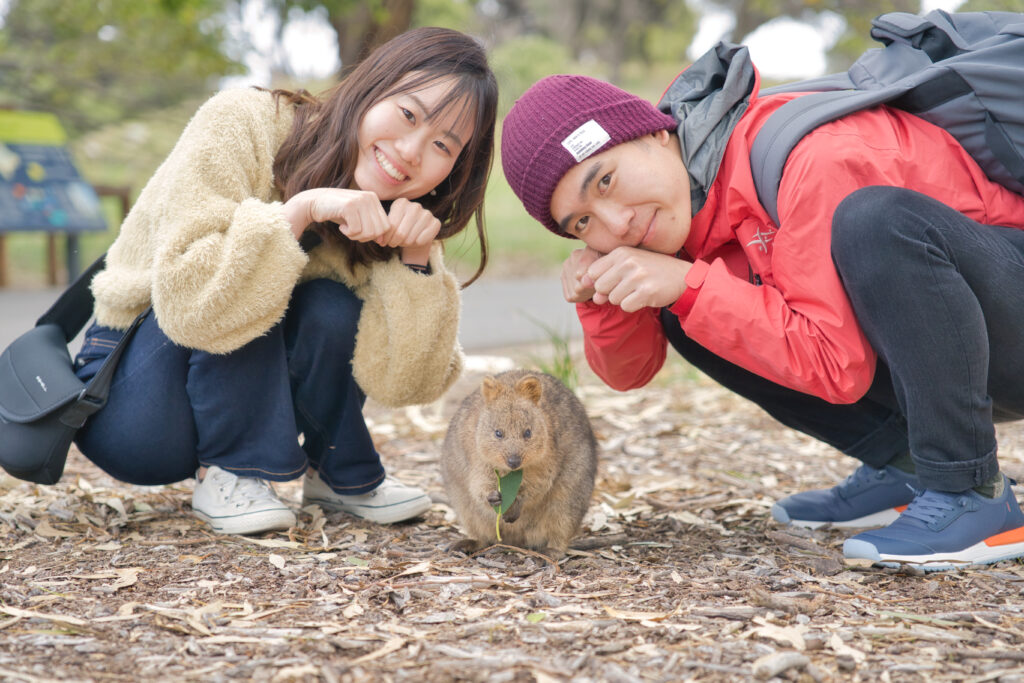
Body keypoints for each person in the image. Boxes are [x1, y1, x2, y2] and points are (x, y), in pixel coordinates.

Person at [499, 44, 1024, 571]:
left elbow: (838, 368)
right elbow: (631, 372)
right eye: (583, 223)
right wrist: (600, 295)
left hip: (1008, 316)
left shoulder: (811, 158)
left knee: (873, 223)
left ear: (655, 132)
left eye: (606, 181)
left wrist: (689, 286)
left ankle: (969, 490)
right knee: (689, 311)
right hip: (961, 347)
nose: (616, 226)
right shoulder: (684, 207)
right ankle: (905, 464)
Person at [72, 27, 498, 536]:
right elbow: (190, 304)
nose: (410, 151)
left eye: (442, 146)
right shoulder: (244, 122)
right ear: (372, 85)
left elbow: (408, 384)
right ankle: (235, 468)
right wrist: (300, 212)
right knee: (262, 275)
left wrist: (415, 261)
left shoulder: (399, 214)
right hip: (135, 390)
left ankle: (337, 474)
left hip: (232, 382)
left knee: (331, 306)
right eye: (408, 114)